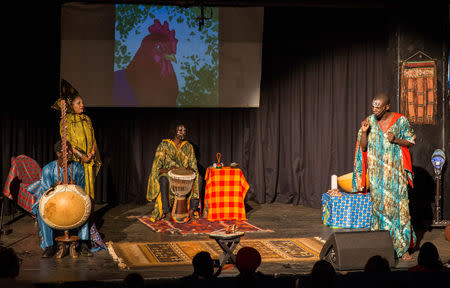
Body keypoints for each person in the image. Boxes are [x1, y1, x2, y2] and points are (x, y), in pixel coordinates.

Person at [352, 93, 416, 260]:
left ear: (387, 107)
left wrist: (395, 140)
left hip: (395, 174)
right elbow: (363, 148)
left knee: (399, 209)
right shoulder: (370, 121)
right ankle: (379, 245)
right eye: (373, 106)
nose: (374, 110)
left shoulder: (400, 121)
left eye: (377, 107)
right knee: (379, 210)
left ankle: (402, 249)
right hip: (377, 175)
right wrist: (364, 132)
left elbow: (411, 141)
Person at [30, 140, 91, 258]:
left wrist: (76, 186)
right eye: (67, 151)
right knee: (40, 211)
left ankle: (83, 244)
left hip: (73, 202)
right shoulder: (48, 168)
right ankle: (49, 246)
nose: (70, 153)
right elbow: (45, 193)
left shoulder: (78, 168)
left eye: (70, 151)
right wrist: (55, 187)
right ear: (58, 153)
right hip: (54, 204)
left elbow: (83, 191)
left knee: (87, 207)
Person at [52, 79, 102, 200]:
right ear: (71, 105)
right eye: (78, 103)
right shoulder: (66, 120)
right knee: (78, 191)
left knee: (90, 192)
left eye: (82, 103)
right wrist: (82, 156)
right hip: (76, 161)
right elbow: (67, 143)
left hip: (89, 160)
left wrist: (91, 154)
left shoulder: (87, 119)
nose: (82, 105)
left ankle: (90, 216)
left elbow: (93, 139)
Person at [146, 123, 200, 221]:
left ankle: (192, 210)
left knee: (198, 178)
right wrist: (168, 170)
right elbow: (157, 167)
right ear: (174, 131)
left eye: (184, 131)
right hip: (168, 174)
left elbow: (193, 164)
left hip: (183, 176)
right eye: (180, 130)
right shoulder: (164, 145)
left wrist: (191, 170)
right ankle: (167, 212)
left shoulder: (188, 147)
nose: (183, 133)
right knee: (163, 180)